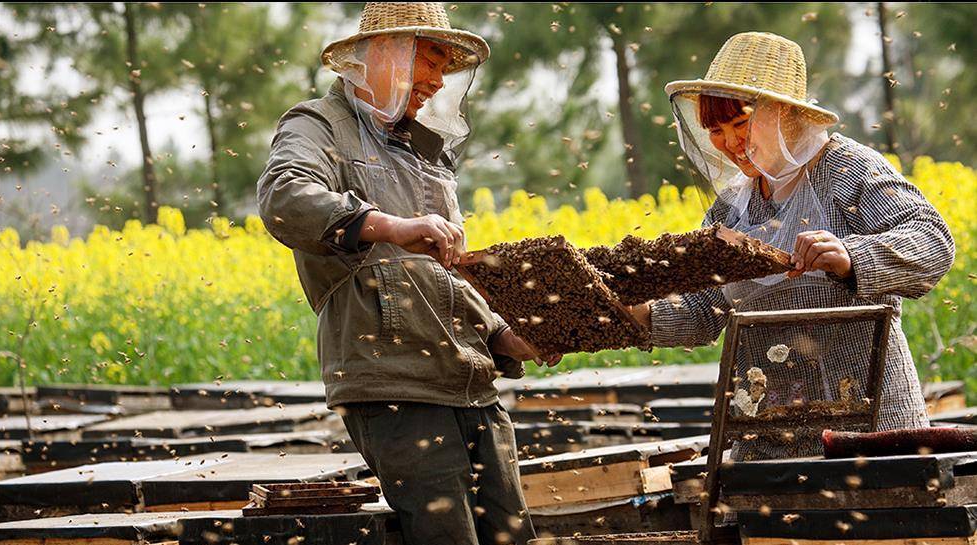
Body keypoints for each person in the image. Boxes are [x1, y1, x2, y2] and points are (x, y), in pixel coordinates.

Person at [256, 3, 559, 544]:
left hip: (472, 385)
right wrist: (387, 225)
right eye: (430, 62)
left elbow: (448, 276)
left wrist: (504, 337)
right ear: (384, 54)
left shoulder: (425, 152)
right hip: (394, 385)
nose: (438, 82)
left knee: (514, 537)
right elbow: (284, 197)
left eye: (446, 69)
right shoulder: (319, 125)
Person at [631, 32, 955, 461]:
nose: (729, 143)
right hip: (769, 433)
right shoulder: (729, 208)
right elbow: (703, 311)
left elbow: (933, 241)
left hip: (870, 425)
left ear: (782, 112)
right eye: (715, 130)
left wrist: (852, 257)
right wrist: (636, 314)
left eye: (740, 124)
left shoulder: (845, 169)